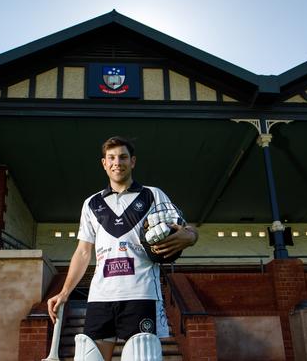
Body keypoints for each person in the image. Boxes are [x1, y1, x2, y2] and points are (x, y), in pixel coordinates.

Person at [47, 136, 198, 361]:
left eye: (123, 157)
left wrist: (191, 237)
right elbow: (83, 252)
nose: (118, 162)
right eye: (112, 158)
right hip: (100, 296)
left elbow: (186, 228)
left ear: (133, 162)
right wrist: (65, 292)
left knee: (141, 356)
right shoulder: (91, 203)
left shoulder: (153, 194)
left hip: (141, 292)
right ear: (104, 163)